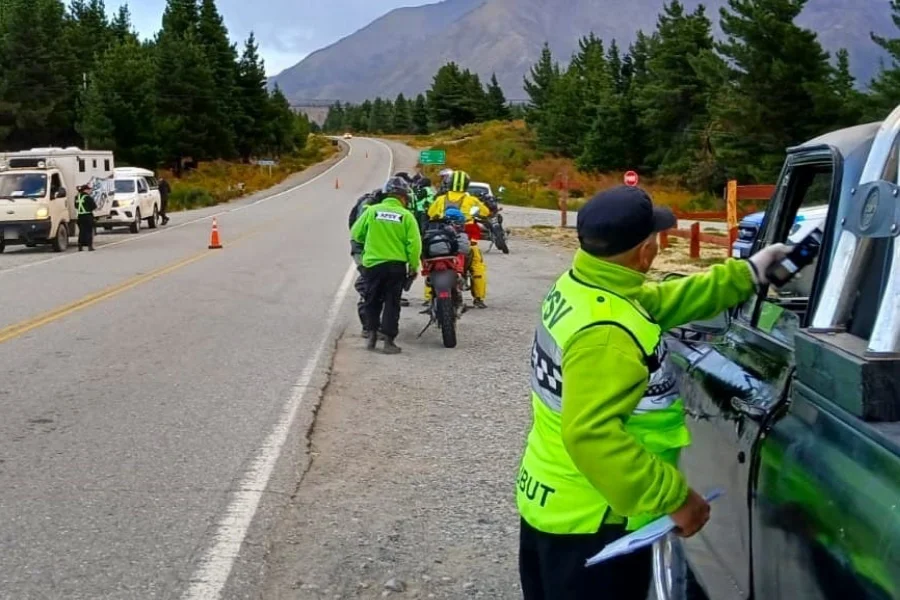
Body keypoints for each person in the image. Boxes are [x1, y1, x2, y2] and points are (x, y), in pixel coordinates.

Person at [515, 185, 790, 600]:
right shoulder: (608, 335)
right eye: (655, 239)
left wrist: (748, 273)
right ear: (645, 252)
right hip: (595, 523)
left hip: (557, 500)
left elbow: (660, 300)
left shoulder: (584, 288)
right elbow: (591, 435)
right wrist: (674, 496)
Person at [350, 177, 422, 354]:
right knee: (392, 302)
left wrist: (372, 242)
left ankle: (372, 335)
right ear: (404, 197)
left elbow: (356, 233)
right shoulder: (406, 216)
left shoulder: (372, 211)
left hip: (373, 265)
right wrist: (413, 266)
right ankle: (389, 342)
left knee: (371, 300)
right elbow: (415, 245)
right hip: (396, 267)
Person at [427, 170, 490, 308]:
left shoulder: (440, 199)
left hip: (443, 239)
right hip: (466, 239)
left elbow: (430, 213)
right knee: (477, 265)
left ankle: (428, 296)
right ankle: (478, 298)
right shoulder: (472, 200)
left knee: (432, 263)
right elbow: (485, 212)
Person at [349, 188, 384, 336]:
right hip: (368, 251)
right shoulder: (373, 210)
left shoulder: (363, 203)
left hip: (362, 249)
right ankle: (370, 326)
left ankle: (369, 326)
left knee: (368, 285)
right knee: (369, 285)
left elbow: (352, 225)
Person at [76, 184, 97, 252]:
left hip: (80, 216)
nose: (90, 191)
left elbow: (75, 206)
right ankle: (90, 246)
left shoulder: (77, 197)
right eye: (89, 189)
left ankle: (80, 246)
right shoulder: (88, 197)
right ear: (85, 190)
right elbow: (94, 206)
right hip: (88, 216)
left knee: (81, 232)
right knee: (89, 231)